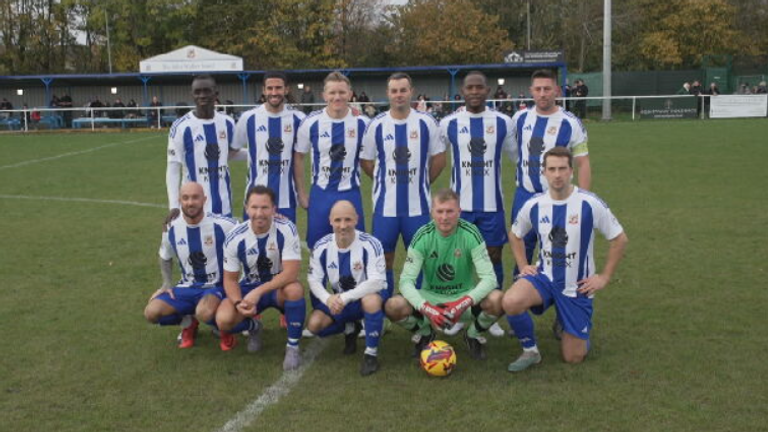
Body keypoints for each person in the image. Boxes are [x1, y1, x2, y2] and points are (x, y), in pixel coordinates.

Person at [503, 147, 628, 371]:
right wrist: (523, 265)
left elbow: (619, 239)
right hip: (545, 278)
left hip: (577, 286)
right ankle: (530, 351)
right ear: (544, 172)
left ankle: (572, 323)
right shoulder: (534, 204)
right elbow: (515, 234)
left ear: (571, 171)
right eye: (552, 169)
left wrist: (604, 277)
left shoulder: (589, 203)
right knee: (510, 301)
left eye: (562, 169)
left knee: (573, 357)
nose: (557, 174)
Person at [508, 69, 591, 340]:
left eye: (547, 88)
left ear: (557, 90)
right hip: (525, 197)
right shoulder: (520, 118)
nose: (542, 94)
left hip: (559, 204)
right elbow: (514, 152)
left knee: (562, 259)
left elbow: (583, 163)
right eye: (538, 89)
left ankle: (563, 316)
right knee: (521, 254)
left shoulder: (570, 122)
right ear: (531, 91)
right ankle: (518, 315)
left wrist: (582, 201)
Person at [439, 71, 515, 337]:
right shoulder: (448, 123)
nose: (474, 92)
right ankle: (457, 313)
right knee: (457, 261)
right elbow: (434, 155)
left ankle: (490, 315)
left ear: (487, 90)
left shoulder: (503, 122)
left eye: (479, 87)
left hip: (492, 206)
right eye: (469, 87)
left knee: (492, 258)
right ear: (462, 91)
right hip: (459, 208)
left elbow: (518, 158)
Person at [384, 189, 502, 360]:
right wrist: (427, 308)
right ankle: (425, 333)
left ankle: (472, 335)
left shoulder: (471, 233)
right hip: (432, 297)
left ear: (459, 212)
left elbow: (490, 278)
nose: (444, 217)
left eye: (450, 211)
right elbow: (406, 281)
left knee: (498, 300)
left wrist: (461, 304)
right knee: (393, 306)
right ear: (432, 212)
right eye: (440, 211)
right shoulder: (423, 236)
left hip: (462, 297)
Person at [360, 72, 446, 298]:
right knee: (384, 258)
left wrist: (422, 181)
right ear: (388, 94)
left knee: (418, 258)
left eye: (403, 90)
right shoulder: (376, 124)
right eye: (394, 91)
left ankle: (416, 307)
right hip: (385, 208)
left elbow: (439, 159)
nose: (399, 95)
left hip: (418, 207)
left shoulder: (427, 122)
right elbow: (366, 161)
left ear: (411, 92)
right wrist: (383, 181)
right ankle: (385, 304)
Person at [216, 186, 306, 370]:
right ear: (246, 208)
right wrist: (237, 302)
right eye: (254, 207)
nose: (259, 213)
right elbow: (230, 280)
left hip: (278, 287)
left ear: (274, 209)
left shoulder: (286, 228)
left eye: (265, 207)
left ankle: (293, 347)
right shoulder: (235, 237)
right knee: (223, 320)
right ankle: (253, 327)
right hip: (249, 286)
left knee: (295, 290)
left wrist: (258, 292)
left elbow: (291, 273)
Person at [143, 182, 238, 348]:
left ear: (204, 200)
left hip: (215, 287)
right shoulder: (171, 227)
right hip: (186, 287)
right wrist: (166, 283)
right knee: (151, 312)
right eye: (185, 198)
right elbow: (164, 255)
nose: (190, 202)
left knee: (204, 312)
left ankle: (224, 329)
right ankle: (188, 323)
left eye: (195, 197)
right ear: (180, 200)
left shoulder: (223, 225)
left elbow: (248, 234)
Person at [305, 201, 387, 376]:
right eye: (338, 220)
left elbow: (377, 281)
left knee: (371, 301)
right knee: (314, 325)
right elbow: (314, 280)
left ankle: (371, 355)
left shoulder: (371, 244)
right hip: (339, 300)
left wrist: (344, 298)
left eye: (348, 219)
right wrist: (328, 299)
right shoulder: (321, 246)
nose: (343, 226)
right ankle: (349, 327)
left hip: (362, 299)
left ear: (356, 219)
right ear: (330, 221)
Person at [294, 71, 370, 249]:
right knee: (317, 248)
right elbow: (298, 157)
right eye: (332, 92)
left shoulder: (363, 123)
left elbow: (373, 157)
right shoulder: (311, 122)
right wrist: (302, 194)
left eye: (342, 92)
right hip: (321, 194)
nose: (337, 97)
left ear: (350, 94)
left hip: (351, 192)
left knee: (356, 248)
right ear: (324, 95)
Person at [166, 74, 243, 221]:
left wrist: (259, 154)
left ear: (216, 94)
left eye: (207, 91)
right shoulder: (181, 127)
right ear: (192, 95)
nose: (202, 95)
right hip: (193, 206)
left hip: (223, 204)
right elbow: (173, 167)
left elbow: (231, 153)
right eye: (197, 92)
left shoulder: (228, 123)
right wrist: (174, 205)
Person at [233, 71, 305, 223]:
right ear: (263, 90)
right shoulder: (248, 118)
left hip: (286, 200)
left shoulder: (299, 119)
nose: (274, 92)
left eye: (278, 88)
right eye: (270, 88)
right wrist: (252, 154)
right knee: (252, 239)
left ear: (286, 89)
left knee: (285, 239)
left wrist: (350, 113)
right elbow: (232, 150)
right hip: (254, 199)